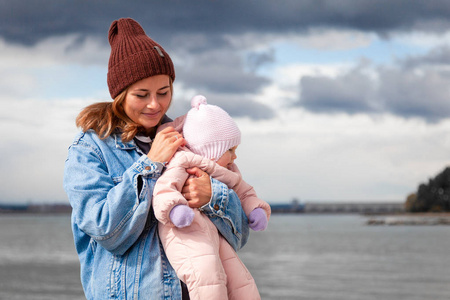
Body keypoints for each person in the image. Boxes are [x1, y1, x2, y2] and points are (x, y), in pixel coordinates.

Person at [63, 18, 250, 300]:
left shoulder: (192, 138)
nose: (155, 104)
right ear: (120, 95)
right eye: (142, 95)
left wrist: (213, 196)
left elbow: (239, 236)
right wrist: (151, 163)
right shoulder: (89, 150)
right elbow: (107, 232)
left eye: (164, 93)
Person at [152, 95, 271, 300]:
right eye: (230, 150)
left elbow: (244, 191)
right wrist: (175, 208)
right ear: (211, 151)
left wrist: (256, 209)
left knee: (241, 280)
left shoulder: (228, 170)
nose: (235, 156)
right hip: (184, 233)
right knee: (206, 277)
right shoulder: (183, 162)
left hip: (213, 236)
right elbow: (164, 189)